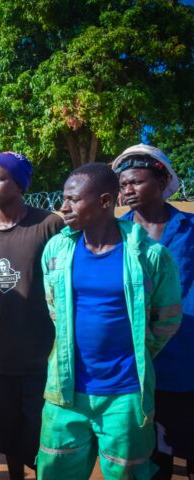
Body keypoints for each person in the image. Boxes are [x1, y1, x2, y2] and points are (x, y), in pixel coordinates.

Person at [37, 162, 182, 479]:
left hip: (125, 395)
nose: (64, 207)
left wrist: (138, 355)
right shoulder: (57, 250)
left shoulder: (150, 255)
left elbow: (168, 319)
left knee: (125, 474)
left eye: (73, 199)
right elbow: (55, 311)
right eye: (63, 198)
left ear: (105, 201)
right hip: (65, 393)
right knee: (55, 471)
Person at [0, 151, 64, 479]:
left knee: (42, 432)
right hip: (2, 355)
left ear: (19, 184)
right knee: (6, 431)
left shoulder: (49, 225)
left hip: (43, 356)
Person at [113, 144, 194, 479]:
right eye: (123, 184)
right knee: (149, 455)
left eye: (136, 181)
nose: (127, 189)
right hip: (137, 364)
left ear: (162, 182)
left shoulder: (189, 229)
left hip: (187, 360)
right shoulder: (115, 233)